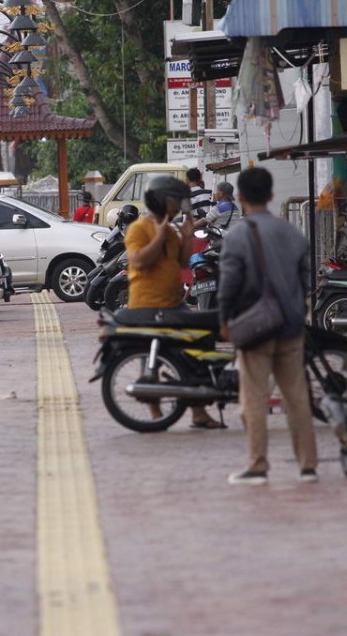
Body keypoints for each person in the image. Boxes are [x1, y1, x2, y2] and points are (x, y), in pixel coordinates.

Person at [218, 167, 317, 485]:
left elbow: (229, 284)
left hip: (255, 326)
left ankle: (258, 464)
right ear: (272, 196)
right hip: (291, 325)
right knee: (297, 397)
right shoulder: (292, 232)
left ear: (241, 197)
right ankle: (308, 466)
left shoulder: (237, 235)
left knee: (254, 398)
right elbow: (307, 279)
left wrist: (224, 319)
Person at [124, 175, 222, 429]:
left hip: (173, 302)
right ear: (161, 201)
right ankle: (157, 414)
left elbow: (179, 263)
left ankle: (198, 412)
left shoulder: (168, 229)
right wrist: (159, 235)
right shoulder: (138, 228)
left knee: (193, 349)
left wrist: (187, 236)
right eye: (175, 201)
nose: (179, 206)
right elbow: (139, 261)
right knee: (152, 361)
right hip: (147, 305)